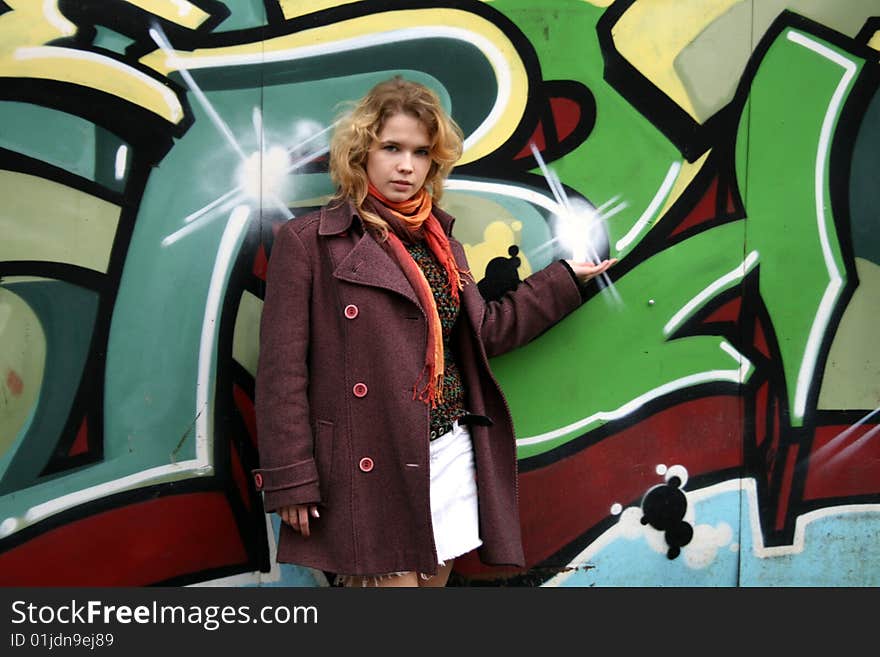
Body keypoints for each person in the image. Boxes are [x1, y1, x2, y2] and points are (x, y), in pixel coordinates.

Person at [252, 76, 616, 587]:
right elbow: (281, 374)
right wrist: (292, 481)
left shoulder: (439, 241)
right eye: (392, 148)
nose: (406, 165)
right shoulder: (309, 242)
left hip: (444, 452)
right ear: (361, 152)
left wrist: (562, 283)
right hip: (370, 467)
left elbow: (482, 332)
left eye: (421, 152)